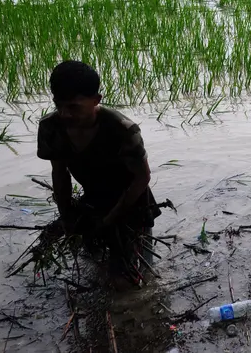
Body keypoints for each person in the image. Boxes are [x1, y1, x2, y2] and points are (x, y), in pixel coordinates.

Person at [37, 60, 160, 284]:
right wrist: (67, 216)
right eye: (58, 105)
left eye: (74, 107)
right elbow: (60, 173)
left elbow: (142, 177)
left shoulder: (122, 129)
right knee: (95, 266)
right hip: (93, 201)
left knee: (138, 275)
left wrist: (111, 219)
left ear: (96, 100)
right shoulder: (50, 127)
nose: (64, 114)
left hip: (131, 203)